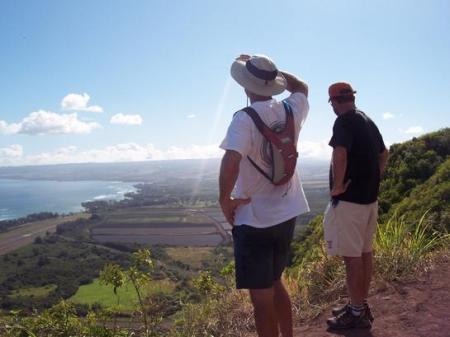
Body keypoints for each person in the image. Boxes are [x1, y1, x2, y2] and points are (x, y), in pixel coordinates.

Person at [219, 54, 309, 337]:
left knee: (261, 301)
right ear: (273, 84)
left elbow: (231, 160)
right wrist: (273, 73)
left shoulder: (244, 120)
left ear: (246, 87)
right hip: (287, 212)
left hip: (255, 219)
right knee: (276, 281)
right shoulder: (292, 109)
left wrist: (225, 200)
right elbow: (302, 87)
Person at [323, 82, 389, 330]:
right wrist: (373, 178)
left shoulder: (344, 121)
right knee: (364, 253)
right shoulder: (366, 120)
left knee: (352, 259)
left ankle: (357, 312)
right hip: (369, 200)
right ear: (351, 97)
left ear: (334, 102)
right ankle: (358, 304)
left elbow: (340, 153)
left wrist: (338, 185)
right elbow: (384, 153)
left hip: (350, 203)